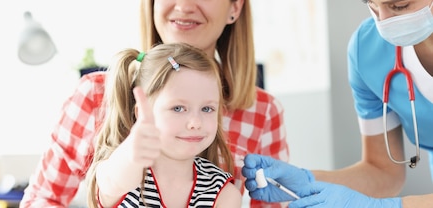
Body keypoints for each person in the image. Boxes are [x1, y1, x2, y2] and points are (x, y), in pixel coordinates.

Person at [20, 0, 290, 207]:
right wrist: (130, 155)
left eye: (208, 108)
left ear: (235, 6)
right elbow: (45, 198)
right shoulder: (95, 94)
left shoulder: (264, 112)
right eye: (177, 107)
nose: (184, 6)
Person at [242, 0, 433, 207]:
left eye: (400, 5)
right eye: (372, 4)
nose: (384, 21)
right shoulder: (367, 50)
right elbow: (383, 171)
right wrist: (308, 182)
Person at [85, 42, 241, 208]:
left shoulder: (222, 193)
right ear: (141, 113)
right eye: (178, 108)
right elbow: (113, 182)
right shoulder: (120, 172)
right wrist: (132, 149)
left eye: (207, 108)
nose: (196, 122)